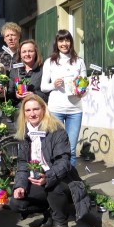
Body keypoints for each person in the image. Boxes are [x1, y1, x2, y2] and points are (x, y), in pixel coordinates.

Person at [10, 94, 100, 227]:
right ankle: (49, 213)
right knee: (16, 203)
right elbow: (22, 163)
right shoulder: (24, 133)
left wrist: (48, 176)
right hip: (38, 178)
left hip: (63, 179)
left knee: (52, 186)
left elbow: (63, 162)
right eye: (28, 110)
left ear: (43, 110)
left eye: (36, 109)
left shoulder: (56, 130)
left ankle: (61, 225)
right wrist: (19, 185)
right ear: (24, 113)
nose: (32, 114)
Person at [41, 29, 86, 167]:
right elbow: (43, 87)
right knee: (57, 148)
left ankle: (71, 181)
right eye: (61, 40)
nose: (64, 43)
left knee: (71, 149)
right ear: (57, 43)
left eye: (67, 40)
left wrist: (81, 92)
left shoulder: (79, 62)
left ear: (71, 43)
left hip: (75, 110)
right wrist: (54, 85)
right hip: (56, 110)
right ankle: (58, 179)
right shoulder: (50, 62)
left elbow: (84, 86)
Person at [8, 39, 48, 106]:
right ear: (20, 54)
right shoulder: (15, 71)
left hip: (38, 108)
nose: (27, 54)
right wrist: (16, 95)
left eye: (30, 51)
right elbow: (9, 93)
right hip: (20, 110)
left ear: (35, 53)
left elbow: (49, 94)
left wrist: (34, 95)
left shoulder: (44, 70)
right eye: (24, 52)